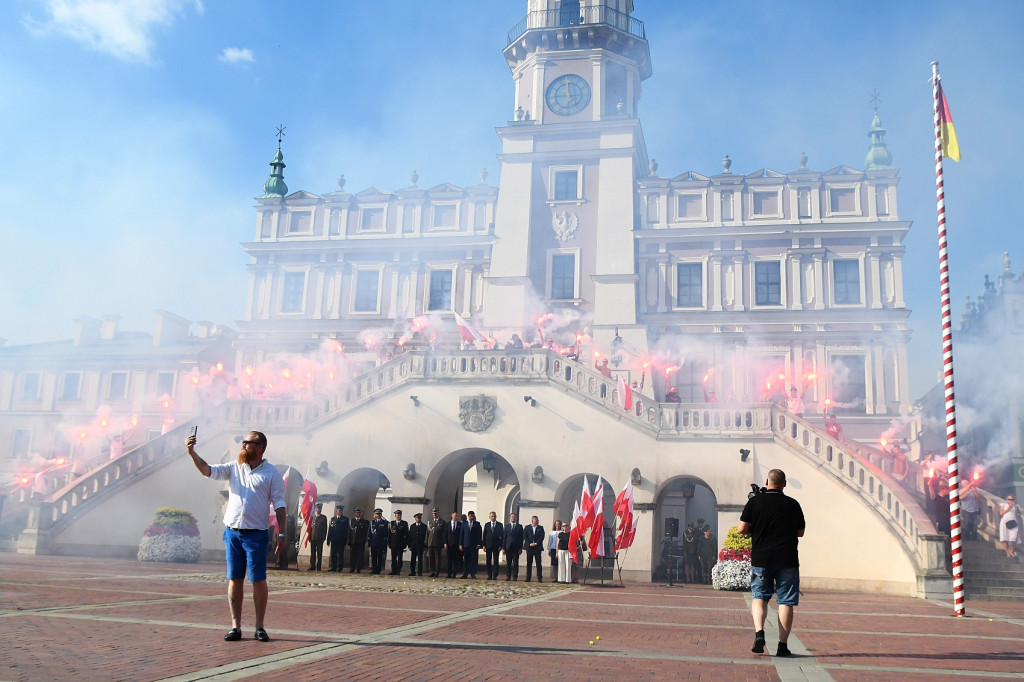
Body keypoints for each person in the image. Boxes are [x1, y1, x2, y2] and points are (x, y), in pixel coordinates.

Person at [185, 430, 285, 643]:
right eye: (243, 442)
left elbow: (280, 504)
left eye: (248, 442)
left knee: (258, 579)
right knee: (234, 579)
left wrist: (282, 533)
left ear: (260, 447)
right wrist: (192, 452)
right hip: (233, 533)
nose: (243, 445)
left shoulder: (271, 473)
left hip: (256, 534)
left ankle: (259, 626)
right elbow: (207, 470)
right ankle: (235, 626)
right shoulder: (234, 467)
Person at [738, 469, 806, 658]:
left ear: (767, 482)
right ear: (784, 484)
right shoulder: (793, 504)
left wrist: (756, 528)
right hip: (787, 559)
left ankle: (759, 633)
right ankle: (782, 646)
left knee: (759, 596)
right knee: (786, 601)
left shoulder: (754, 502)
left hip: (762, 558)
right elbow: (800, 532)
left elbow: (742, 529)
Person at [460, 510, 483, 578]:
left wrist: (479, 544)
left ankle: (473, 574)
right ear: (468, 516)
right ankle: (465, 574)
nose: (471, 517)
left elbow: (479, 534)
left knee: (473, 560)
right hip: (466, 545)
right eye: (470, 516)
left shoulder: (477, 524)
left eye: (473, 516)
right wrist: (460, 544)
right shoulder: (464, 524)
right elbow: (462, 535)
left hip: (474, 545)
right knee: (466, 560)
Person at [482, 511, 504, 580]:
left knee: (496, 560)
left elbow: (502, 536)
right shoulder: (487, 525)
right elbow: (484, 535)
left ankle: (495, 575)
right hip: (488, 545)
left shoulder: (500, 525)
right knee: (488, 560)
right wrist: (484, 545)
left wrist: (501, 545)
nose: (493, 517)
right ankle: (489, 575)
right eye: (492, 516)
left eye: (494, 516)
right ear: (489, 517)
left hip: (496, 545)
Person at [326, 505, 349, 572]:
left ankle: (340, 567)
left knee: (340, 555)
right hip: (333, 539)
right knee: (333, 554)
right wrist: (328, 539)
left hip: (340, 540)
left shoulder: (345, 519)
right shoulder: (333, 519)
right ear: (336, 511)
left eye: (341, 511)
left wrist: (345, 539)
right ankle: (333, 567)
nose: (340, 512)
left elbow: (346, 530)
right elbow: (330, 529)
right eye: (339, 510)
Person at [503, 513, 524, 581]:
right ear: (510, 518)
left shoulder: (519, 527)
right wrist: (503, 548)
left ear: (516, 518)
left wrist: (520, 548)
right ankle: (508, 575)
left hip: (516, 547)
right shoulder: (507, 526)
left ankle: (515, 576)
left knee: (515, 562)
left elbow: (521, 538)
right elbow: (504, 537)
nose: (513, 518)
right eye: (512, 517)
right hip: (508, 547)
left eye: (514, 517)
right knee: (508, 562)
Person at [524, 516, 546, 582]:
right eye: (535, 520)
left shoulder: (540, 528)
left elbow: (542, 536)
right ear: (532, 521)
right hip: (529, 547)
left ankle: (539, 577)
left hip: (537, 547)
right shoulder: (527, 527)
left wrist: (536, 543)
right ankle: (528, 577)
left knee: (538, 563)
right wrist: (529, 543)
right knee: (529, 563)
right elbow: (525, 536)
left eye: (537, 520)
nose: (536, 522)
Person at [347, 508, 369, 573]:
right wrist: (349, 540)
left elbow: (365, 532)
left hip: (360, 542)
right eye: (357, 513)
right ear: (355, 513)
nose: (358, 514)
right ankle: (352, 568)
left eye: (359, 513)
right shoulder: (351, 521)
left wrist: (364, 540)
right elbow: (349, 532)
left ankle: (358, 568)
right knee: (352, 556)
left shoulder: (364, 522)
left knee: (360, 556)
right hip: (353, 541)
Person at [368, 508, 389, 575]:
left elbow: (386, 533)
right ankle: (374, 569)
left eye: (379, 514)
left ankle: (378, 569)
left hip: (380, 542)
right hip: (373, 542)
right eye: (377, 514)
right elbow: (369, 533)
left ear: (381, 514)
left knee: (379, 557)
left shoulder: (384, 523)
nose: (378, 515)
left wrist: (384, 543)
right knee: (373, 557)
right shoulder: (372, 522)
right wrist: (369, 541)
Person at [388, 510, 409, 575]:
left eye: (400, 515)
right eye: (397, 515)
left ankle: (398, 570)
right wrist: (389, 543)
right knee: (393, 558)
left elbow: (406, 534)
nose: (398, 516)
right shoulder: (392, 523)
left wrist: (405, 543)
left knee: (400, 558)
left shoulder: (404, 523)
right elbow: (389, 534)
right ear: (395, 516)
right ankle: (393, 570)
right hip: (393, 543)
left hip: (400, 544)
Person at [426, 507, 445, 577]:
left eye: (436, 513)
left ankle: (437, 571)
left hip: (438, 542)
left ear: (438, 514)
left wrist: (443, 543)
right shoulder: (430, 522)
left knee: (437, 559)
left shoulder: (442, 522)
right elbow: (427, 533)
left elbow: (444, 534)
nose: (434, 515)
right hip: (430, 542)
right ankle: (432, 571)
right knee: (431, 558)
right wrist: (426, 542)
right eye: (433, 514)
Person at [308, 503, 328, 571]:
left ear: (321, 509)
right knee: (312, 553)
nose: (318, 510)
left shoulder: (323, 517)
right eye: (317, 508)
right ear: (315, 509)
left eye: (319, 509)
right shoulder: (312, 517)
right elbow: (310, 528)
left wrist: (323, 538)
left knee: (319, 553)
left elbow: (325, 529)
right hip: (313, 538)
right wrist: (309, 537)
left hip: (319, 538)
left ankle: (318, 566)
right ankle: (312, 566)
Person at [445, 512, 462, 578]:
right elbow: (445, 535)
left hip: (457, 546)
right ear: (452, 516)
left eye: (457, 516)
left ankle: (454, 574)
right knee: (449, 560)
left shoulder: (460, 525)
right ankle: (449, 573)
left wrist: (460, 544)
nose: (456, 517)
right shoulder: (447, 525)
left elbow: (461, 535)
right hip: (449, 545)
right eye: (455, 516)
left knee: (456, 561)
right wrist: (445, 543)